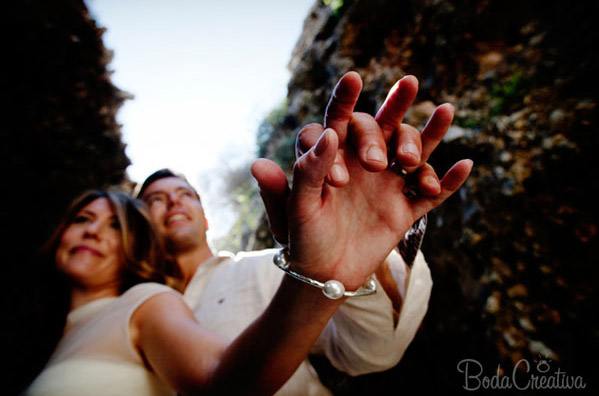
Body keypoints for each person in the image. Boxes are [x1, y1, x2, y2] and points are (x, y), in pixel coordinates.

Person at [137, 72, 467, 395]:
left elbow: (369, 355)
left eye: (186, 195)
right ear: (140, 224)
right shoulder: (127, 308)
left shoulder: (275, 269)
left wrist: (362, 263)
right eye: (156, 199)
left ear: (206, 218)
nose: (173, 202)